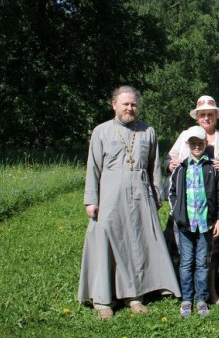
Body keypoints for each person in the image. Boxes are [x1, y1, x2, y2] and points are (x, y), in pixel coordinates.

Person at [77, 86, 180, 320]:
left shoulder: (148, 131)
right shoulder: (101, 131)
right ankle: (103, 299)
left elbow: (154, 166)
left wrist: (156, 193)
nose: (130, 108)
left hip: (141, 196)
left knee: (137, 243)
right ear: (114, 105)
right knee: (106, 242)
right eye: (125, 104)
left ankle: (135, 295)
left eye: (133, 104)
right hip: (110, 197)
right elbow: (93, 168)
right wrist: (91, 200)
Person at [165, 95, 219, 305]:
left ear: (216, 117)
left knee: (211, 250)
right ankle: (186, 293)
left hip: (214, 202)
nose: (206, 118)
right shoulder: (186, 136)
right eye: (202, 114)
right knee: (185, 252)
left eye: (210, 115)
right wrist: (171, 164)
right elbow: (170, 158)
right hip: (188, 205)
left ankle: (209, 291)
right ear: (197, 117)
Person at [169, 127, 219, 317]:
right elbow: (172, 193)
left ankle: (201, 299)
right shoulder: (181, 168)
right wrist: (177, 214)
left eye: (200, 143)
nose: (197, 146)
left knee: (202, 263)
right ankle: (186, 299)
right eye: (193, 143)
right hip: (185, 224)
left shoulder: (212, 168)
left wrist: (218, 219)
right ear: (188, 145)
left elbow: (218, 195)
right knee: (185, 262)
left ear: (205, 144)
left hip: (205, 224)